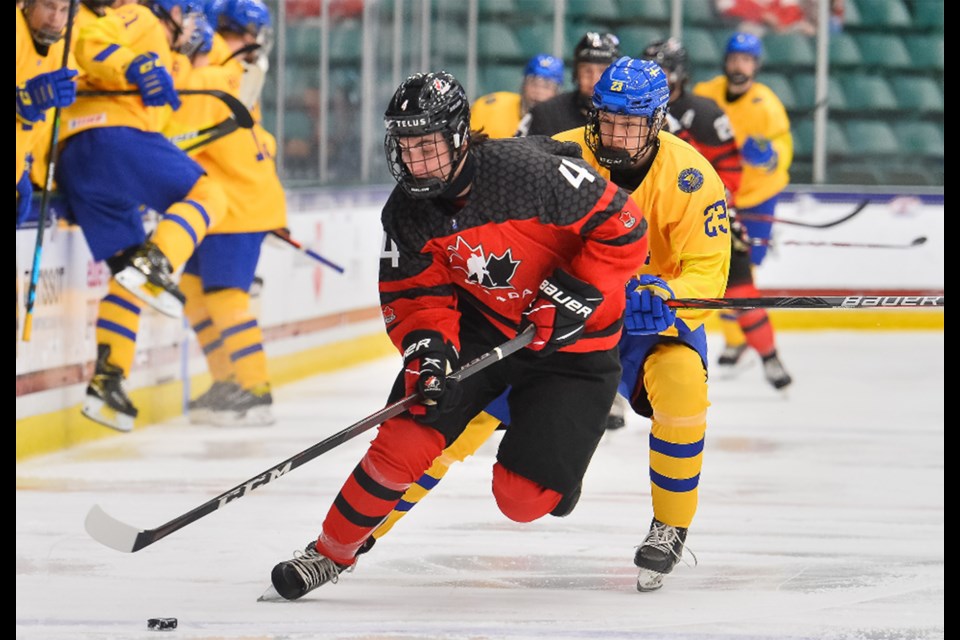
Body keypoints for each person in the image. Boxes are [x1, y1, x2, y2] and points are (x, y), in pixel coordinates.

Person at [267, 70, 650, 601]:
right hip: (482, 330)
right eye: (405, 145)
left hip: (573, 346)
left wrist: (574, 291)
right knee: (408, 428)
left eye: (427, 144)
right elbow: (416, 298)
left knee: (524, 499)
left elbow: (625, 228)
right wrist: (427, 353)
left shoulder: (526, 173)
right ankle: (329, 553)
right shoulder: (407, 212)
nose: (415, 160)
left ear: (459, 136)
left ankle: (553, 458)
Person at [354, 60, 731, 593]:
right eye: (608, 120)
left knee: (683, 387)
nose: (617, 134)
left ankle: (670, 525)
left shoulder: (691, 177)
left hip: (645, 324)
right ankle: (364, 529)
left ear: (658, 121)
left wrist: (675, 299)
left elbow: (708, 269)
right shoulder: (558, 149)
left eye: (632, 123)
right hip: (560, 314)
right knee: (459, 415)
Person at [56, 0, 227, 432]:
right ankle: (159, 261)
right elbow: (92, 41)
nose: (191, 26)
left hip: (79, 161)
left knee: (128, 273)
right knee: (210, 193)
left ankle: (107, 381)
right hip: (111, 139)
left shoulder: (167, 55)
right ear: (171, 9)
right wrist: (135, 66)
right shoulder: (142, 16)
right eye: (189, 14)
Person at [643, 37, 791, 390]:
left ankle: (769, 357)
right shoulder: (636, 110)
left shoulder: (712, 111)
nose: (656, 75)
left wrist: (721, 194)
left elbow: (731, 169)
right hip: (655, 222)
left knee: (739, 286)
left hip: (712, 214)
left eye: (663, 68)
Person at [174, 0, 287, 425]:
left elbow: (177, 136)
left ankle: (256, 389)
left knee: (225, 298)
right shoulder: (231, 74)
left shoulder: (216, 76)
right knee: (194, 292)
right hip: (228, 204)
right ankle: (228, 381)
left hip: (237, 207)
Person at [516, 31, 630, 430]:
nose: (592, 76)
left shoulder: (630, 115)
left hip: (610, 233)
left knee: (611, 306)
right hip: (555, 232)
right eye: (586, 69)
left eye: (601, 68)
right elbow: (517, 167)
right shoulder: (547, 114)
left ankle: (610, 391)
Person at [692, 32, 793, 379]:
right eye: (735, 58)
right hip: (717, 196)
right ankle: (738, 339)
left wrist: (768, 156)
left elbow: (784, 147)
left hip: (757, 196)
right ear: (726, 61)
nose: (740, 66)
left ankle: (746, 339)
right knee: (722, 269)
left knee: (745, 270)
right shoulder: (706, 93)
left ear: (756, 65)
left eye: (747, 60)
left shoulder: (767, 104)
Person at [16, 0, 78, 228]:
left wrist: (20, 168)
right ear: (28, 4)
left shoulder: (61, 57)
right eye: (48, 6)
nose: (55, 19)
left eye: (64, 10)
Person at [516, 31, 619, 138]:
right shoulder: (544, 113)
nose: (594, 80)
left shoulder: (627, 117)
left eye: (602, 71)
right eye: (587, 71)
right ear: (576, 73)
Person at [469, 53, 564, 139]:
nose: (538, 91)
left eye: (547, 86)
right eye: (533, 83)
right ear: (523, 85)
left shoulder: (563, 123)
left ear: (557, 93)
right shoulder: (489, 108)